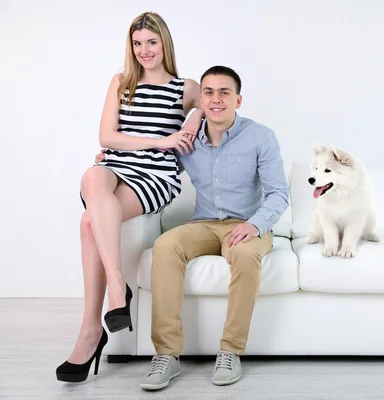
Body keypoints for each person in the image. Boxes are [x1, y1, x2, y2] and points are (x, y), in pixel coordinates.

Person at [56, 11, 204, 383]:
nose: (144, 51)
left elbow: (221, 102)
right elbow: (106, 137)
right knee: (93, 175)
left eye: (151, 42)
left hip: (154, 176)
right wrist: (160, 140)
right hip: (115, 166)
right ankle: (118, 290)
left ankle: (91, 333)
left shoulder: (185, 87)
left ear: (164, 43)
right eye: (137, 44)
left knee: (90, 220)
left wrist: (194, 118)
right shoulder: (122, 82)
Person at [138, 65, 289, 391]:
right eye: (209, 92)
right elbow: (153, 164)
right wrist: (112, 158)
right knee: (165, 245)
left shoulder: (260, 136)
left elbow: (279, 193)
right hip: (203, 224)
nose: (216, 99)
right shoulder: (188, 139)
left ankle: (231, 350)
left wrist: (255, 224)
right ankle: (166, 355)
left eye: (224, 92)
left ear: (238, 99)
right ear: (200, 99)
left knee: (246, 256)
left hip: (246, 225)